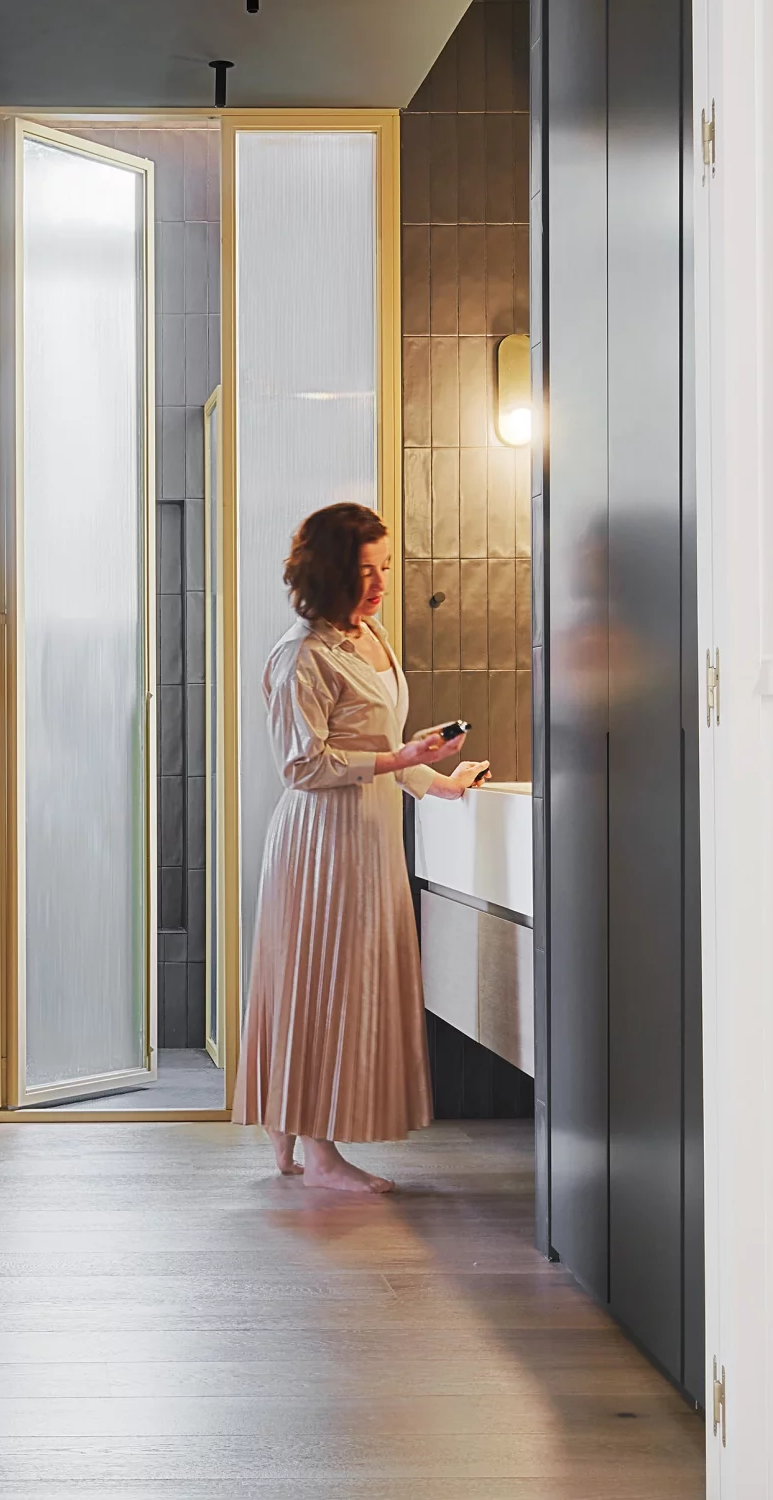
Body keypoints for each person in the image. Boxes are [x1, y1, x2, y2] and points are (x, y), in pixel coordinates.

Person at [233, 499, 489, 1191]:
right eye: (364, 571)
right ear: (328, 572)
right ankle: (319, 1155)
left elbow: (376, 745)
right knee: (322, 980)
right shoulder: (301, 657)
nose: (379, 584)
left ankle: (290, 1130)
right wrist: (399, 758)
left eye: (384, 568)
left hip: (368, 831)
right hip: (322, 838)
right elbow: (303, 764)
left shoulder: (371, 638)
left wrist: (433, 777)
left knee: (334, 979)